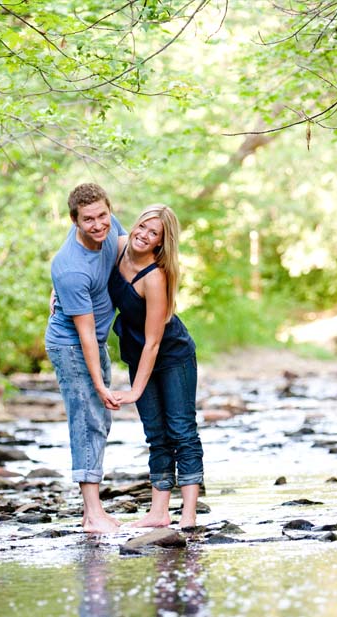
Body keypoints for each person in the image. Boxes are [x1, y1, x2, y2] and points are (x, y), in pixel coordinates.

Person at [107, 204, 204, 528]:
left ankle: (188, 515)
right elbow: (83, 251)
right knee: (155, 435)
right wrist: (58, 291)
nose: (144, 235)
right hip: (139, 356)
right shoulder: (119, 246)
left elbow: (154, 341)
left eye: (154, 233)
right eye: (142, 226)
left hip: (172, 356)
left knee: (181, 431)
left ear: (161, 243)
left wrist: (135, 390)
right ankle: (158, 513)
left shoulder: (155, 277)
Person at [45, 183, 127, 534]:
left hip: (94, 340)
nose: (97, 225)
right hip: (72, 345)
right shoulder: (70, 268)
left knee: (99, 420)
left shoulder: (111, 227)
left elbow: (126, 252)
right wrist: (99, 384)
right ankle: (93, 514)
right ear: (74, 221)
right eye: (88, 220)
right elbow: (85, 335)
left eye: (102, 216)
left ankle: (92, 510)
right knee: (87, 419)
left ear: (109, 210)